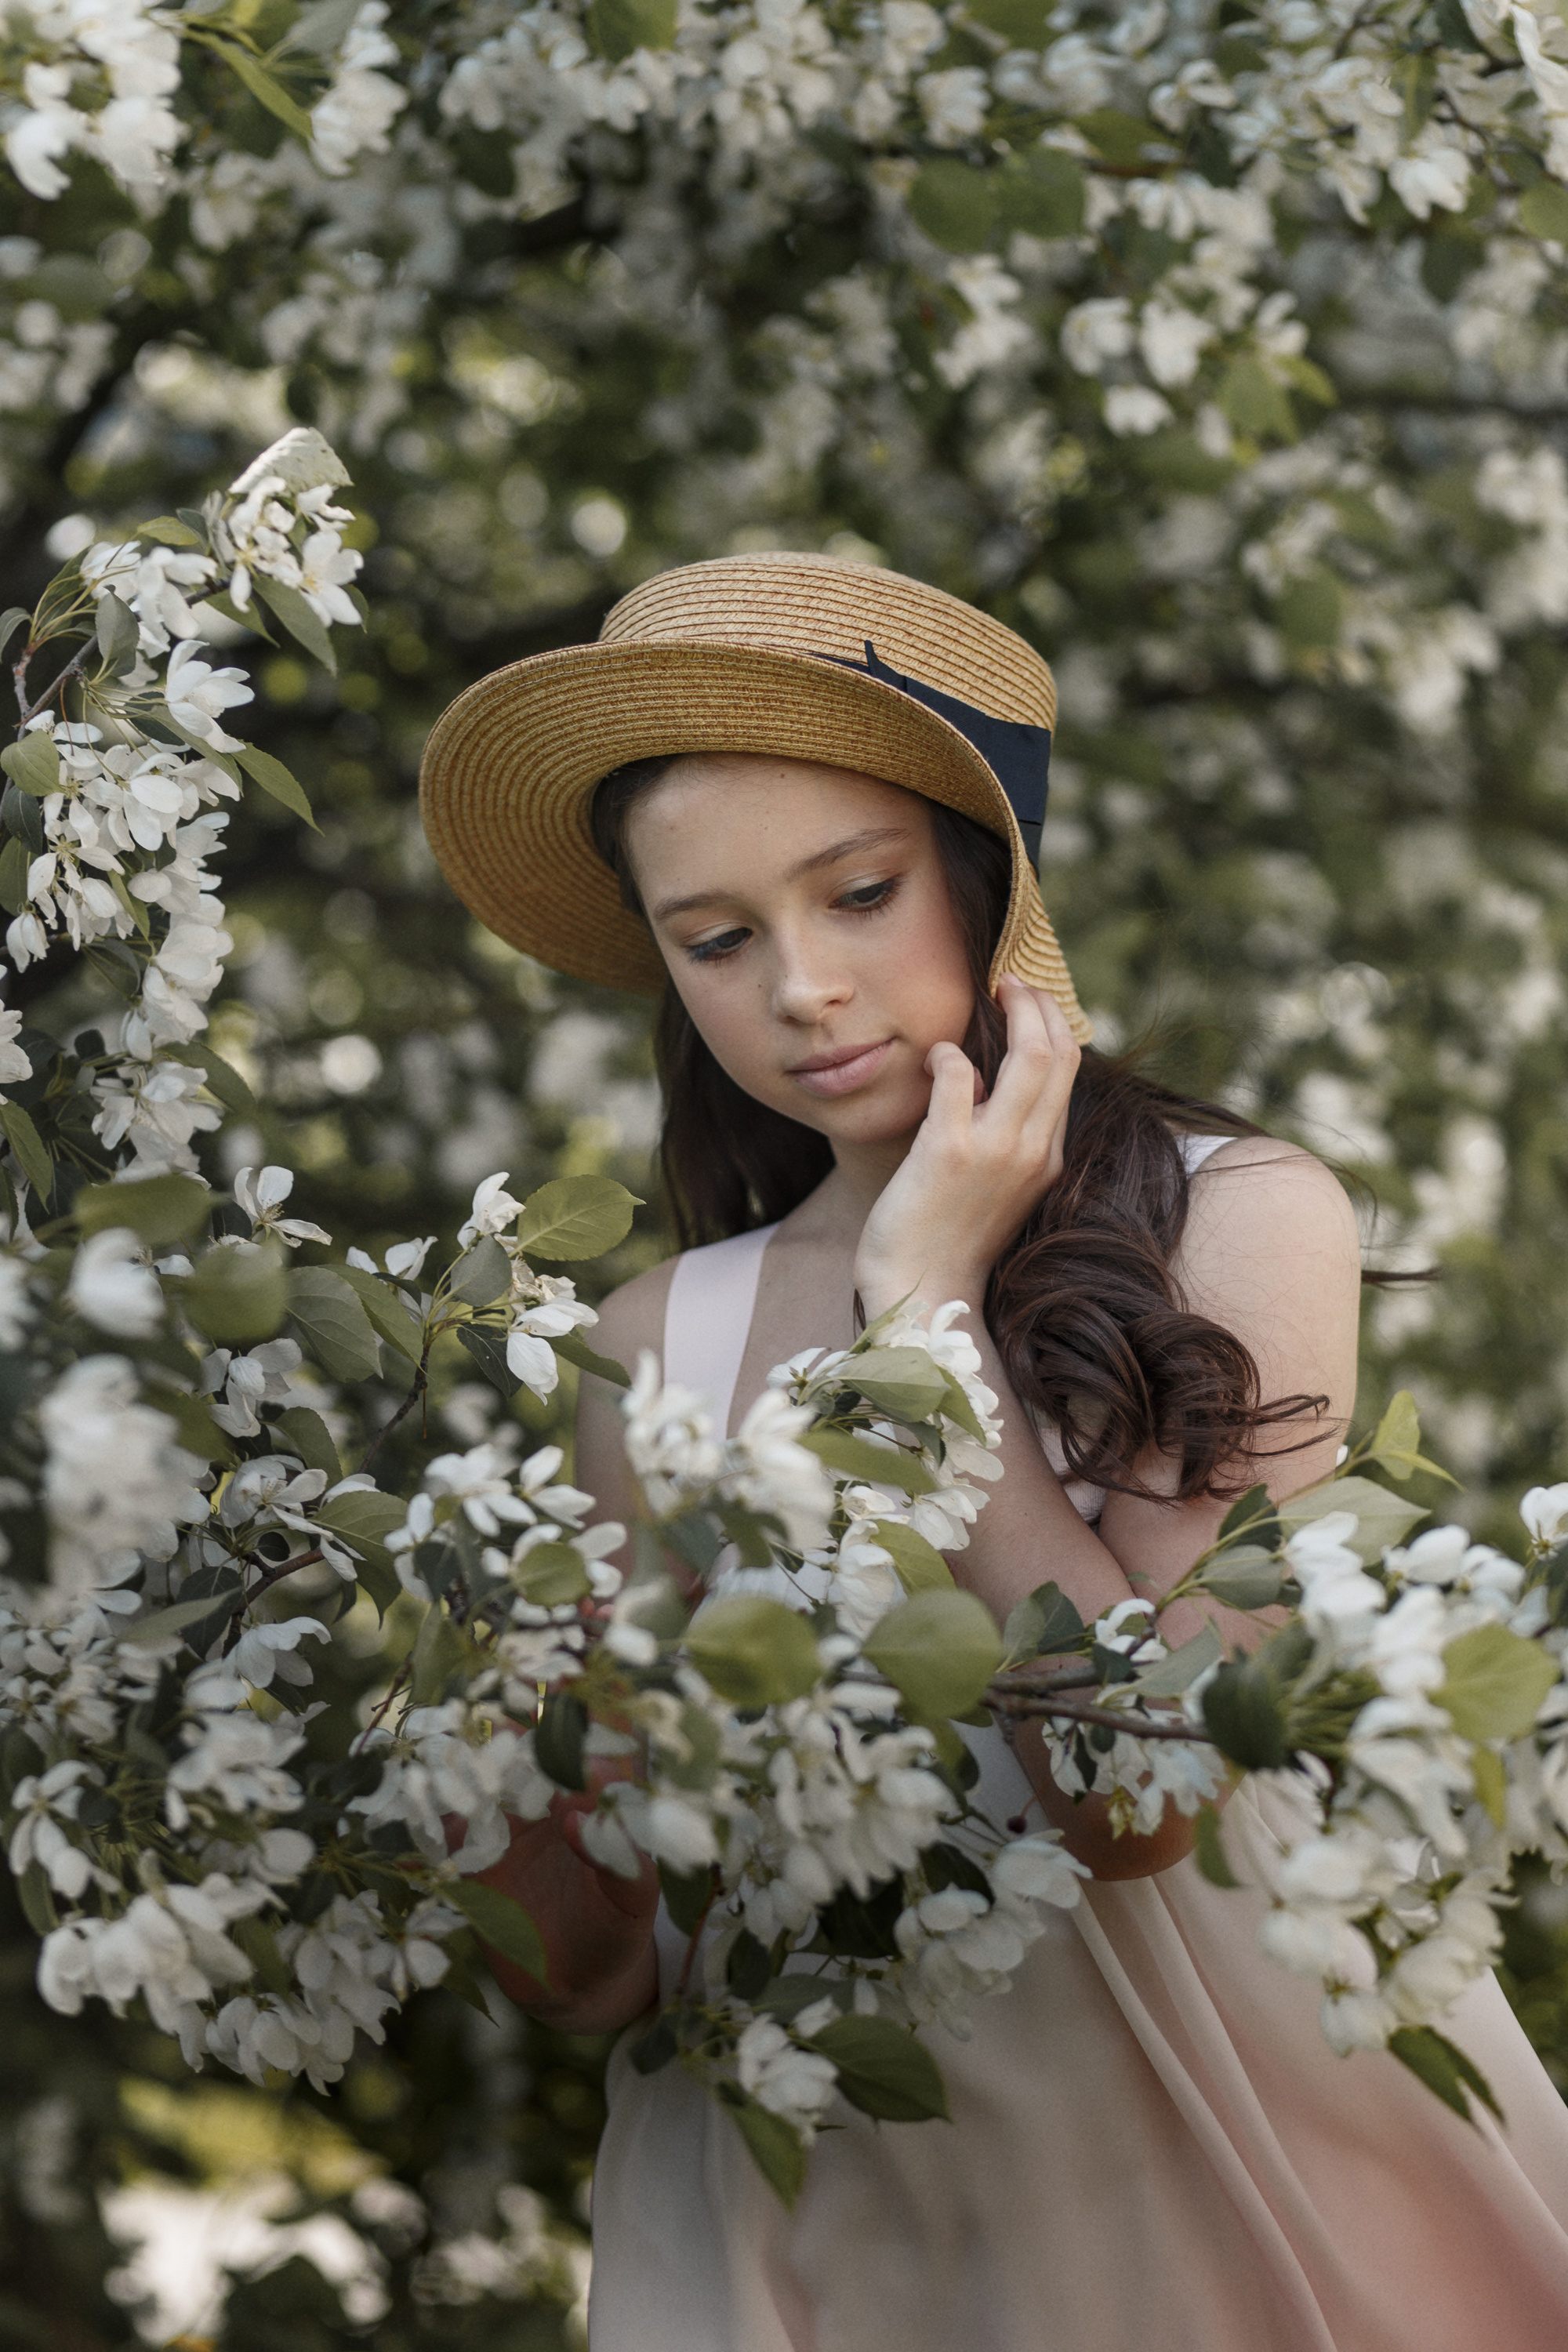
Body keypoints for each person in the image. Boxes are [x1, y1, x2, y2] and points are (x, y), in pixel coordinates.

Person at [419, 554, 1568, 2350]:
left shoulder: (1238, 1221)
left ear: (983, 880)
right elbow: (586, 1970)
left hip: (1210, 2161)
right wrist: (467, 1709)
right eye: (714, 938)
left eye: (859, 893)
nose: (802, 986)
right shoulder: (658, 1349)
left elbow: (1140, 1794)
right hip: (835, 2218)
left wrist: (922, 1314)